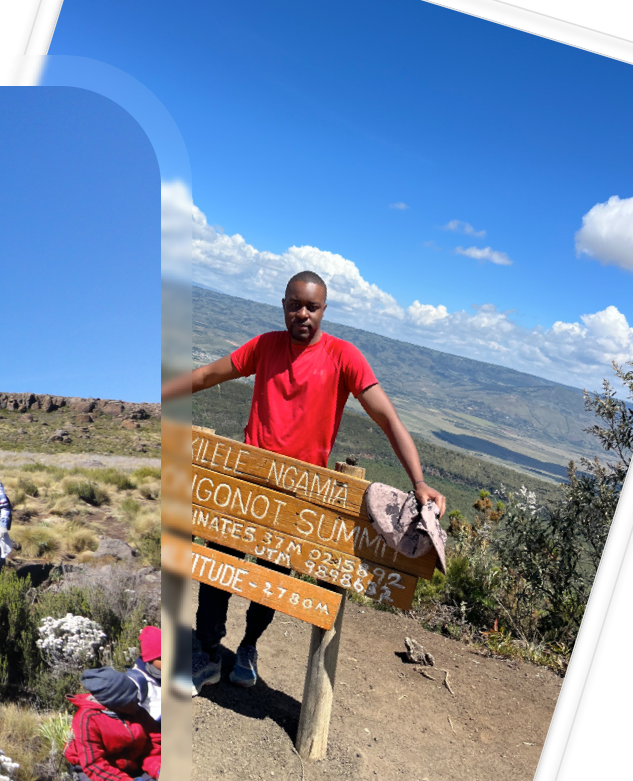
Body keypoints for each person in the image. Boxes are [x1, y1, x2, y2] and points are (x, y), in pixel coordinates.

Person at [160, 270, 448, 694]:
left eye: (312, 307)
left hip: (299, 493)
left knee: (272, 576)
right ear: (283, 306)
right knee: (218, 564)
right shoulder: (265, 346)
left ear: (324, 310)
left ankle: (248, 648)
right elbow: (206, 376)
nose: (302, 314)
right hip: (246, 482)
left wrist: (418, 480)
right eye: (295, 305)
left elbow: (387, 417)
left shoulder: (343, 356)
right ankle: (206, 651)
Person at [65, 626, 164, 781]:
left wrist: (159, 770)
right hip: (99, 773)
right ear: (114, 704)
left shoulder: (138, 713)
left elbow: (152, 748)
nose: (137, 703)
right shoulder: (88, 720)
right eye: (130, 701)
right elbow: (94, 765)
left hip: (131, 767)